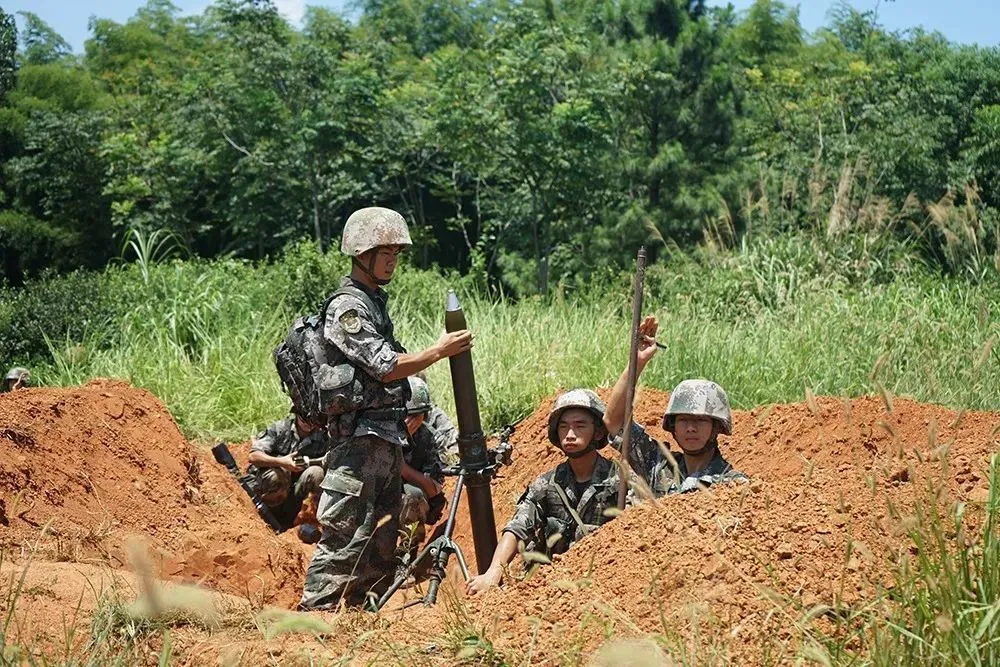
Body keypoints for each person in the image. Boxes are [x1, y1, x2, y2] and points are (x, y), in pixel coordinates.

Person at [299, 207, 473, 611]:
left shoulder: (374, 303)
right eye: (385, 252)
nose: (393, 259)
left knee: (380, 542)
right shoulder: (348, 308)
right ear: (361, 254)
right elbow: (386, 365)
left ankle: (360, 616)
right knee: (344, 537)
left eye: (396, 252)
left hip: (384, 440)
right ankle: (312, 622)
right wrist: (439, 351)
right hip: (358, 444)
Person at [465, 389, 623, 595]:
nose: (570, 434)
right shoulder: (547, 483)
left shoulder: (619, 481)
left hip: (604, 585)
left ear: (599, 432)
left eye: (580, 426)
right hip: (551, 588)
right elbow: (518, 527)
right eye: (564, 427)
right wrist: (493, 573)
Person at [603, 316, 748, 496]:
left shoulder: (734, 485)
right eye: (683, 420)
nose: (690, 428)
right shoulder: (658, 468)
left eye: (700, 421)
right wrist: (637, 362)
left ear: (717, 426)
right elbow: (614, 421)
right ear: (673, 426)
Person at [246, 412, 330, 536]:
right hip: (267, 489)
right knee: (279, 474)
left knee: (317, 473)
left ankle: (302, 523)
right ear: (297, 414)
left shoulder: (321, 436)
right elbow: (253, 456)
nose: (309, 423)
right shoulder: (279, 428)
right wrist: (281, 462)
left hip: (294, 493)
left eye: (313, 420)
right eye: (305, 418)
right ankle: (264, 518)